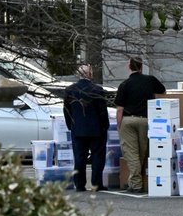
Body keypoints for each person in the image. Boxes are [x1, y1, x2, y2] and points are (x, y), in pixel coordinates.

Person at [115, 57, 166, 193]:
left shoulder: (124, 84)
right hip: (145, 120)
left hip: (128, 120)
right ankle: (136, 181)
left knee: (131, 153)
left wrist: (119, 125)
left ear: (129, 67)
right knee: (142, 152)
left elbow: (119, 108)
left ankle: (136, 185)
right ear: (141, 67)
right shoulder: (150, 80)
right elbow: (163, 90)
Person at [63, 64, 110, 192]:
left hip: (77, 128)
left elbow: (66, 111)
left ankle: (79, 184)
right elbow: (102, 111)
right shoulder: (97, 90)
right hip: (96, 128)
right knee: (97, 157)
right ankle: (96, 183)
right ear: (90, 74)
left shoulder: (70, 90)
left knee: (79, 157)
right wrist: (105, 125)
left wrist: (70, 125)